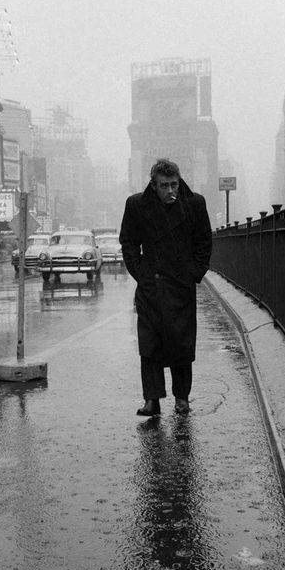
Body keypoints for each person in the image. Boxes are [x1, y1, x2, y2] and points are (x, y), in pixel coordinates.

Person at [119, 158, 212, 416]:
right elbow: (128, 242)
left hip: (181, 287)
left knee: (181, 344)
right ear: (154, 185)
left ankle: (182, 398)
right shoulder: (137, 205)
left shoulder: (194, 203)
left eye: (174, 185)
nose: (171, 190)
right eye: (164, 186)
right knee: (150, 345)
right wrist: (142, 274)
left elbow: (204, 241)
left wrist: (193, 273)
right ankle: (152, 399)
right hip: (151, 288)